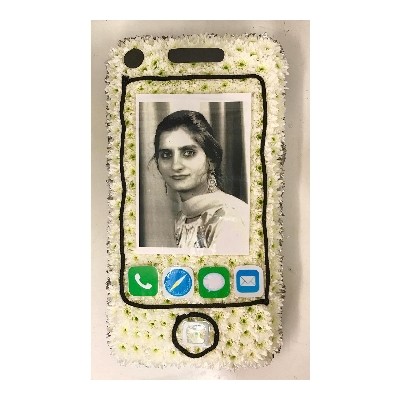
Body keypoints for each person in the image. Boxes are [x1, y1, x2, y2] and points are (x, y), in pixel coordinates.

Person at [153, 110, 249, 254]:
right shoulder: (182, 218)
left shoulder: (230, 218)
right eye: (166, 155)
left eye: (188, 153)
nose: (175, 166)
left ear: (211, 160)